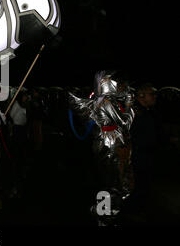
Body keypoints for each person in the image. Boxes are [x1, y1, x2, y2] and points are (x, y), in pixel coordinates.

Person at [68, 71, 135, 226]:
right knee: (112, 184)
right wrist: (129, 107)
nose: (120, 86)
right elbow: (125, 124)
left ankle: (102, 214)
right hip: (109, 145)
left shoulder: (105, 100)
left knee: (111, 183)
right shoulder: (105, 101)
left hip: (109, 143)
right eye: (116, 82)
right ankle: (104, 217)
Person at [129, 83, 160, 217]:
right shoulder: (135, 112)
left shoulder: (148, 111)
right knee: (138, 188)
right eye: (152, 94)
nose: (155, 97)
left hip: (146, 156)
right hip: (137, 158)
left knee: (144, 187)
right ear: (141, 96)